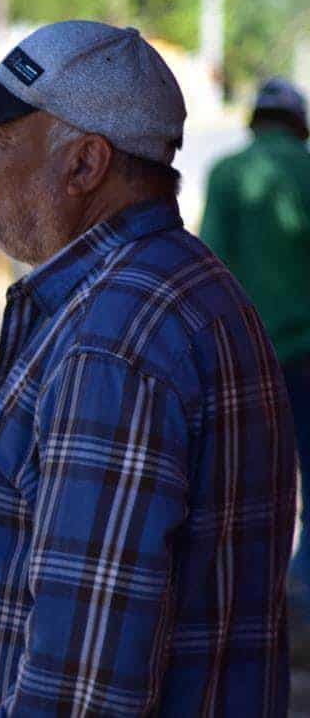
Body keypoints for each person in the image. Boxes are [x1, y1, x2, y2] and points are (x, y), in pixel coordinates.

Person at [0, 21, 296, 716]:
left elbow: (81, 691)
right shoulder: (167, 291)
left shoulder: (114, 343)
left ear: (85, 166)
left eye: (0, 137)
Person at [200, 77, 310, 606]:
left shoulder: (227, 174)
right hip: (306, 357)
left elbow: (210, 261)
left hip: (243, 359)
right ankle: (304, 598)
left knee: (240, 490)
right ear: (299, 123)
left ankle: (246, 602)